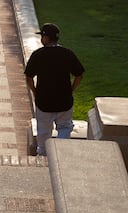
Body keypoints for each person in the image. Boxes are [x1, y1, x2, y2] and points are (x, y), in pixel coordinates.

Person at [24, 23, 85, 156]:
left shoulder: (38, 54)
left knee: (43, 133)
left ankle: (43, 156)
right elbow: (79, 75)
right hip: (64, 102)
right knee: (65, 128)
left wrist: (35, 92)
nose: (41, 39)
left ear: (46, 38)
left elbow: (28, 77)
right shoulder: (67, 54)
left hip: (44, 102)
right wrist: (71, 90)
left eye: (42, 36)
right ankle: (60, 154)